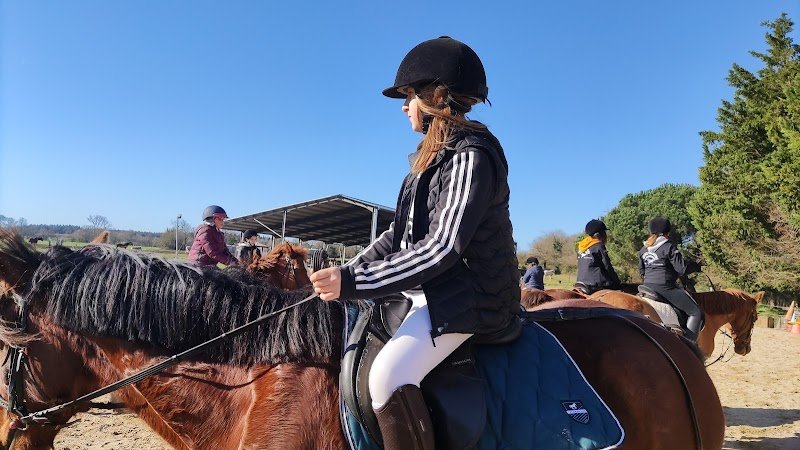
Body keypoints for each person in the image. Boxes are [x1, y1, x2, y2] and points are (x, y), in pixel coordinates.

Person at [309, 36, 520, 450]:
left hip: (473, 299)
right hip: (436, 291)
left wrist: (355, 284)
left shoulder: (470, 155)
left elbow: (442, 246)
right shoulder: (427, 159)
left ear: (436, 96)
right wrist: (348, 274)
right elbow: (398, 235)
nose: (404, 107)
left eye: (409, 96)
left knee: (387, 376)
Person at [638, 216, 703, 341]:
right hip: (665, 288)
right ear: (667, 233)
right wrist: (696, 266)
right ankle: (689, 346)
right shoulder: (668, 246)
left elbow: (642, 271)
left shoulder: (643, 249)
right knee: (696, 312)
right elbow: (682, 269)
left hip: (647, 286)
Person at [575, 219, 621, 293]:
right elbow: (607, 266)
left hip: (581, 282)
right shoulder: (599, 246)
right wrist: (617, 281)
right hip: (596, 284)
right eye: (605, 232)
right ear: (600, 234)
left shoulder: (581, 247)